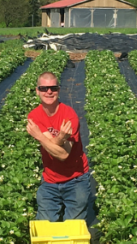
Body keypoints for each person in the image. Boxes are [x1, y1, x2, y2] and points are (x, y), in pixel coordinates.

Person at [26, 71, 95, 225]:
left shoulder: (70, 116)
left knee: (72, 227)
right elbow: (54, 146)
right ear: (37, 91)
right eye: (43, 88)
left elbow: (63, 155)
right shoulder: (34, 116)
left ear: (59, 89)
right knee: (44, 225)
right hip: (50, 181)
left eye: (53, 88)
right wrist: (61, 137)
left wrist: (39, 136)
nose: (48, 92)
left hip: (76, 179)